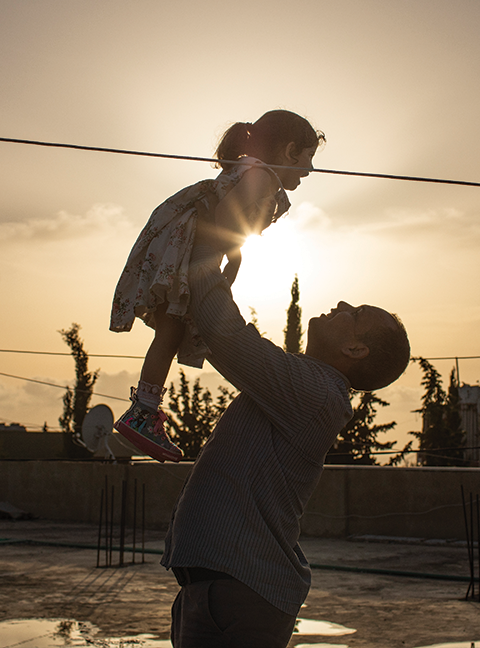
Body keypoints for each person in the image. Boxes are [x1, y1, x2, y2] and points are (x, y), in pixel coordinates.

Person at [162, 195, 412, 647]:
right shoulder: (300, 387)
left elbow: (226, 335)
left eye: (353, 314)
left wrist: (205, 246)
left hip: (238, 592)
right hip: (225, 588)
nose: (340, 303)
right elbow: (217, 340)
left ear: (356, 351)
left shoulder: (313, 393)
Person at [110, 110, 326, 462]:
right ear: (289, 151)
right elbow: (228, 216)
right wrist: (228, 254)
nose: (310, 168)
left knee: (170, 331)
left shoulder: (250, 170)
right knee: (172, 331)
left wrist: (233, 256)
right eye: (308, 157)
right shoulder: (262, 176)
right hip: (189, 250)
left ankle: (144, 410)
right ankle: (142, 414)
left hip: (181, 245)